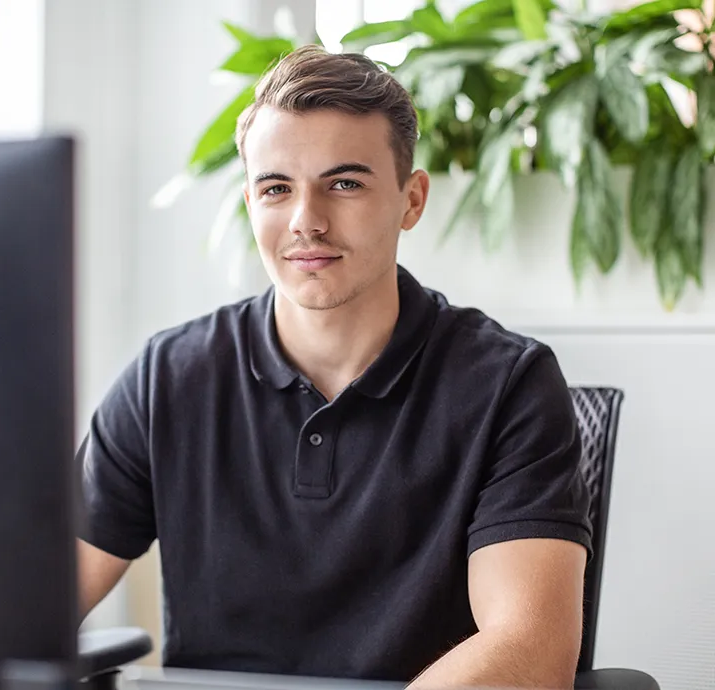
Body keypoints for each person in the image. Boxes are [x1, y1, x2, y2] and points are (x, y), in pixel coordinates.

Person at [76, 45, 591, 689]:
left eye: (344, 183)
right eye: (276, 188)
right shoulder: (169, 378)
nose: (306, 221)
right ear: (250, 202)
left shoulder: (509, 385)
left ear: (411, 199)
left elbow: (529, 648)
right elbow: (32, 606)